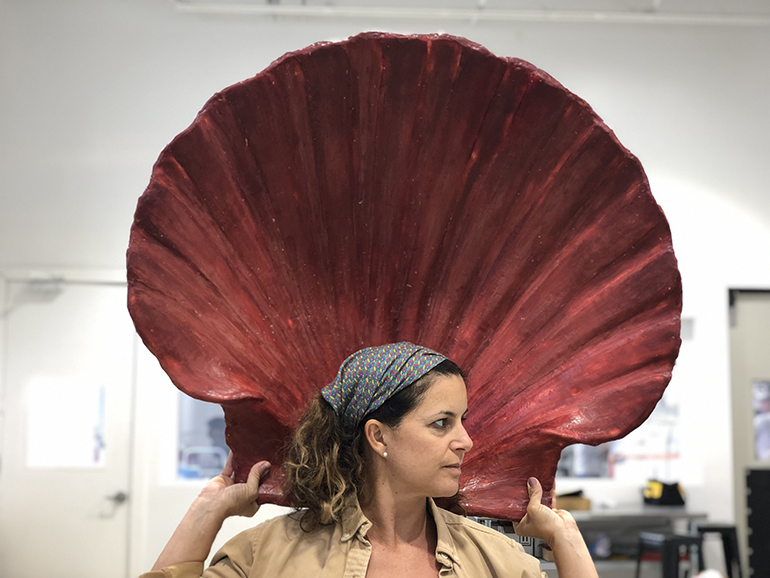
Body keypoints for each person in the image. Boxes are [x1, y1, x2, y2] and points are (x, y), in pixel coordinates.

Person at [142, 342, 598, 578]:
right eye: (442, 423)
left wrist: (565, 538)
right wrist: (209, 508)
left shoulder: (496, 560)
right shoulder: (269, 554)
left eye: (462, 421)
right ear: (378, 436)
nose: (466, 441)